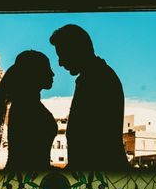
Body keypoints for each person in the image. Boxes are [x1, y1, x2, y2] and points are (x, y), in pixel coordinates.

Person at [49, 25, 129, 170]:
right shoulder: (97, 75)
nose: (60, 63)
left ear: (76, 50)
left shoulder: (97, 79)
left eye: (62, 54)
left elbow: (94, 142)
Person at [0, 50, 57, 171]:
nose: (52, 73)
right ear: (33, 73)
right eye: (46, 68)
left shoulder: (24, 105)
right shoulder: (27, 107)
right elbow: (28, 159)